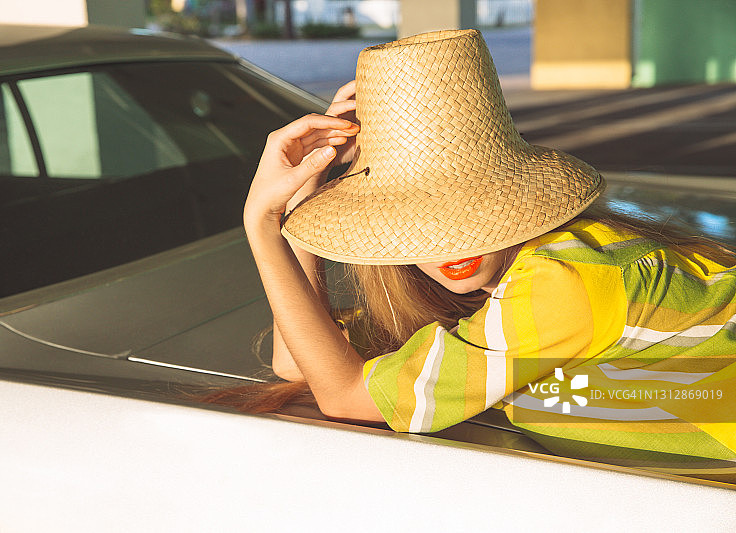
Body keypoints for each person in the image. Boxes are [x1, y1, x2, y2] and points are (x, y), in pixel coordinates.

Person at [239, 29, 736, 462]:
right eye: (414, 223)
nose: (449, 244)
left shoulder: (564, 283)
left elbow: (345, 396)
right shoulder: (509, 289)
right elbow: (299, 363)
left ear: (514, 201)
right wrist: (305, 196)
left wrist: (263, 224)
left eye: (469, 211)